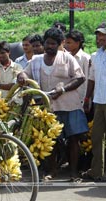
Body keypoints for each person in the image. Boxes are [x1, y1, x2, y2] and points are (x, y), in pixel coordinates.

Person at [17, 28, 88, 182]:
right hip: (48, 107)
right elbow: (24, 73)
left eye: (53, 43)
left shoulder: (67, 58)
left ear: (59, 44)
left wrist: (63, 89)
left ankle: (73, 172)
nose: (49, 46)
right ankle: (52, 171)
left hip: (69, 105)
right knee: (50, 140)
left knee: (73, 139)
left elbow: (80, 78)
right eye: (47, 43)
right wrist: (21, 76)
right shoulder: (36, 60)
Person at [82, 23, 106, 182]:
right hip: (99, 101)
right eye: (98, 35)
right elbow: (91, 79)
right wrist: (87, 98)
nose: (99, 38)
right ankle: (97, 171)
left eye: (103, 35)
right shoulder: (95, 56)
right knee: (97, 137)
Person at [65, 30, 90, 107]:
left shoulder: (85, 58)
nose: (66, 45)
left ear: (77, 43)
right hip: (68, 97)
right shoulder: (66, 56)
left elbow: (86, 80)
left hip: (80, 98)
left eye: (69, 43)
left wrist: (86, 99)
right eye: (66, 42)